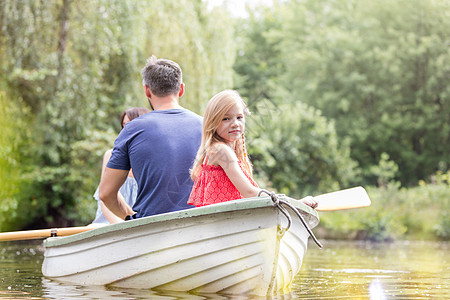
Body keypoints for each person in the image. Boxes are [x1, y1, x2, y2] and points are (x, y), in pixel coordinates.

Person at [98, 55, 203, 222]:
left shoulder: (131, 130)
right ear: (181, 89)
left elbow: (105, 193)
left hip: (150, 226)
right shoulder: (206, 126)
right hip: (202, 222)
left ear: (147, 90)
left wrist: (128, 217)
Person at [187, 89, 318, 209]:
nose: (235, 124)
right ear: (213, 122)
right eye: (226, 119)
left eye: (239, 117)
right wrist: (295, 204)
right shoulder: (221, 150)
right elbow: (249, 192)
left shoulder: (227, 150)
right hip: (225, 224)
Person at [91, 107, 150, 224]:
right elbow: (105, 198)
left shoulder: (151, 158)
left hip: (141, 225)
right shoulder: (111, 155)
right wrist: (121, 226)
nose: (126, 129)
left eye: (130, 124)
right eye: (124, 125)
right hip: (110, 223)